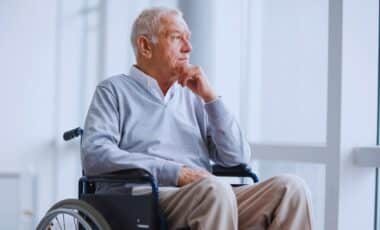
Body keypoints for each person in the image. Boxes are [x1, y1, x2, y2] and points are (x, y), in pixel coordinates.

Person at [81, 6, 313, 230]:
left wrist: (211, 98)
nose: (188, 48)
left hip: (207, 195)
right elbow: (96, 154)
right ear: (145, 46)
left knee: (291, 189)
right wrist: (176, 172)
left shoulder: (192, 96)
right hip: (145, 196)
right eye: (176, 38)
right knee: (214, 189)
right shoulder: (113, 90)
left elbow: (236, 157)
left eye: (188, 38)